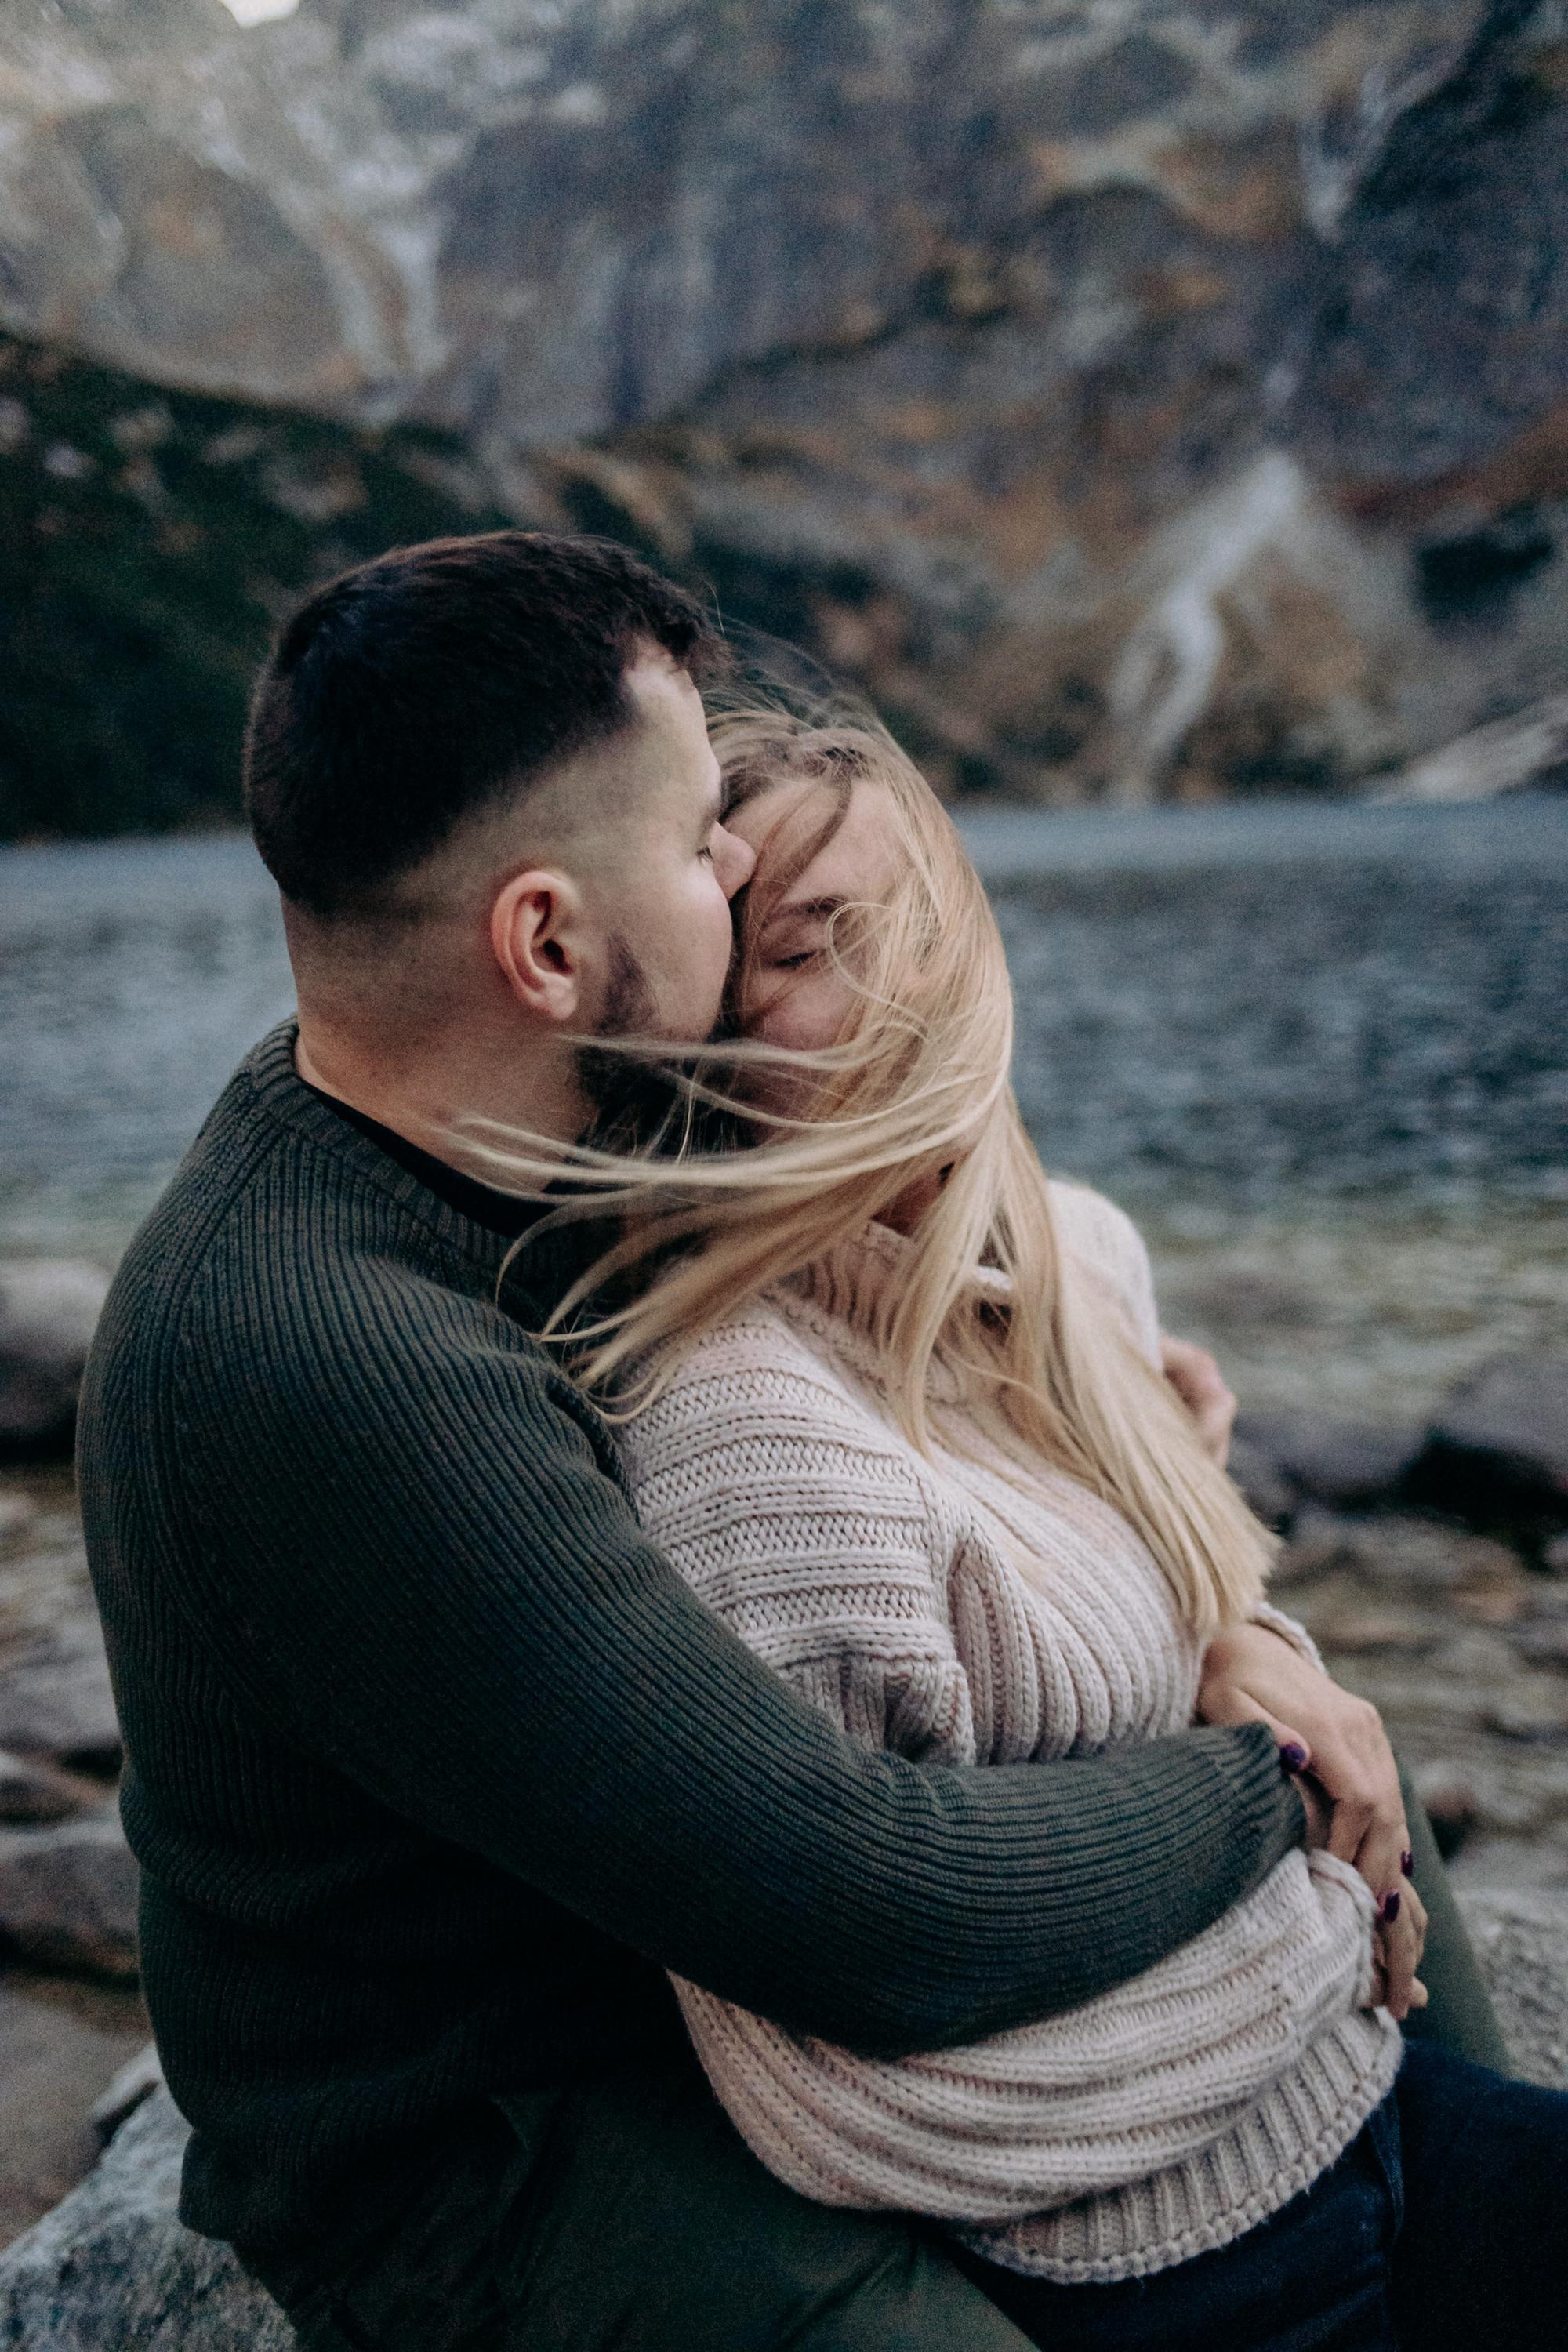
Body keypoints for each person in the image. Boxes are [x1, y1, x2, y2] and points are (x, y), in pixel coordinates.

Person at [78, 530, 1354, 2352]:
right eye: (694, 842)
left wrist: (1121, 1473)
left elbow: (889, 1268)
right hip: (510, 2159)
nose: (739, 859)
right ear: (543, 941)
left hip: (686, 2003)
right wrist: (1265, 1779)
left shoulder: (521, 1136)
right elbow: (866, 1910)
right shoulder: (324, 1352)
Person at [503, 701, 1565, 2352]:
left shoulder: (1066, 1262)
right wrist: (1297, 1902)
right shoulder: (748, 1432)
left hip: (1363, 2109)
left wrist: (1241, 1640)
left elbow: (1168, 1596)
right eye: (805, 946)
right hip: (1177, 2265)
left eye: (916, 906)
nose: (906, 978)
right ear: (704, 1045)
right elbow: (845, 2067)